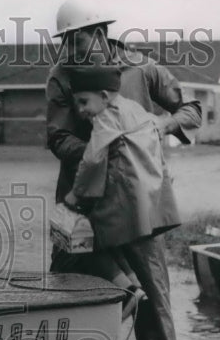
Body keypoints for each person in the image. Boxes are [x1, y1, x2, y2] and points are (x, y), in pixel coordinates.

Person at [47, 0, 201, 340]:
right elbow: (58, 139)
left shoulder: (141, 68)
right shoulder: (61, 77)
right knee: (61, 288)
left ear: (98, 32)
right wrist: (106, 148)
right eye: (66, 41)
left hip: (138, 204)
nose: (72, 49)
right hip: (82, 204)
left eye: (77, 39)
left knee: (155, 298)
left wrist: (153, 128)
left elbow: (190, 110)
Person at [62, 64, 172, 320]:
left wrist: (76, 194)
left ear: (103, 96)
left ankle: (127, 292)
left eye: (83, 102)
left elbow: (92, 159)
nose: (80, 111)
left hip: (122, 199)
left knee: (81, 243)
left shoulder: (107, 117)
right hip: (146, 197)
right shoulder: (136, 110)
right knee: (113, 246)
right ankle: (134, 287)